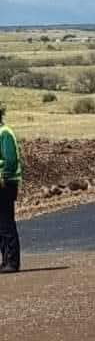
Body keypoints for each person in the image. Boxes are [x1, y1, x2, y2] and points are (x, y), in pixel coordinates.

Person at [0, 108, 22, 273]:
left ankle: (12, 262)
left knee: (6, 222)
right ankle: (5, 259)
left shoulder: (5, 133)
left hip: (5, 183)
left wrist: (3, 176)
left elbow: (10, 160)